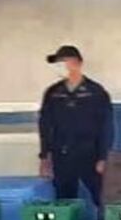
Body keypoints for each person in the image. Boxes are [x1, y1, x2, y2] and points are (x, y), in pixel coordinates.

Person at [38, 45, 114, 204]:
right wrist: (45, 156)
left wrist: (103, 157)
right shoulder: (53, 93)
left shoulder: (95, 92)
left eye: (62, 62)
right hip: (62, 155)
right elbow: (45, 125)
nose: (59, 67)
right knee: (64, 201)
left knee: (101, 198)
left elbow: (106, 126)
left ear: (76, 63)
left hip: (90, 154)